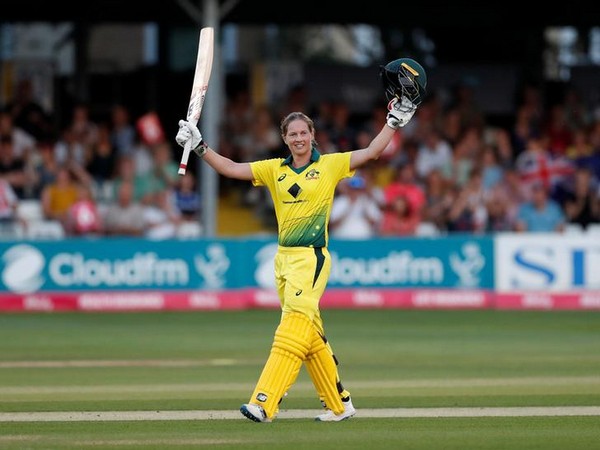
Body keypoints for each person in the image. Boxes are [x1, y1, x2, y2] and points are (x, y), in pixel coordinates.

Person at [175, 58, 425, 423]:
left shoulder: (330, 166)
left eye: (303, 133)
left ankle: (264, 402)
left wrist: (392, 124)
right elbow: (231, 168)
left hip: (312, 258)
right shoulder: (274, 170)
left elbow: (371, 152)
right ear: (285, 139)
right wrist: (200, 147)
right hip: (284, 260)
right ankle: (340, 406)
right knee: (308, 332)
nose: (298, 138)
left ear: (312, 136)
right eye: (291, 134)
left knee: (292, 325)